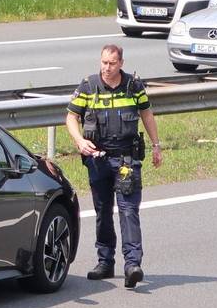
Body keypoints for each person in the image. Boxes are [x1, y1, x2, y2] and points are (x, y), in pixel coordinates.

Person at [65, 44, 164, 288]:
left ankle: (132, 265)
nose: (106, 68)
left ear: (121, 63)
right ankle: (105, 262)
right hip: (98, 159)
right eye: (103, 63)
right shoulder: (88, 86)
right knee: (103, 211)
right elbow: (71, 117)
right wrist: (80, 141)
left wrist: (156, 146)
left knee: (129, 210)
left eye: (111, 63)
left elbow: (147, 114)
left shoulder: (133, 86)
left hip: (126, 159)